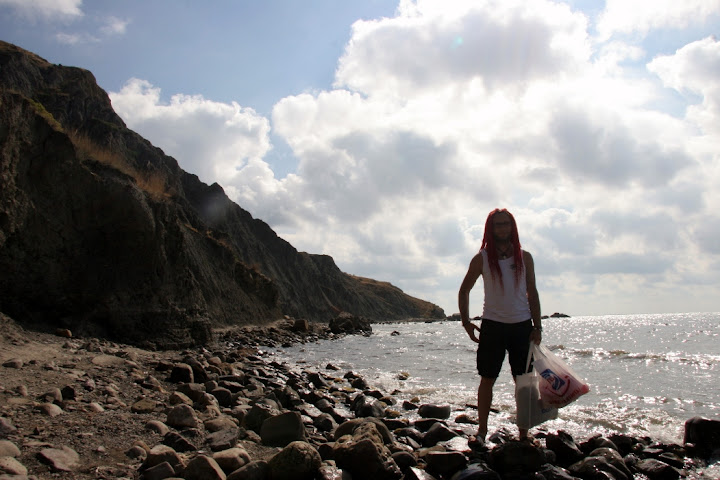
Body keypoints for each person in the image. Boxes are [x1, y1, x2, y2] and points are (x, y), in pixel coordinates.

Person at [458, 208, 542, 445]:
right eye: (498, 224)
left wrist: (538, 327)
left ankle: (524, 433)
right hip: (493, 327)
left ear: (512, 227)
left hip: (522, 327)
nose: (502, 228)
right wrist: (466, 322)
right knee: (487, 379)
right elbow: (464, 290)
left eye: (506, 224)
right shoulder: (482, 258)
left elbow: (532, 292)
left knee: (523, 382)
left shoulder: (525, 257)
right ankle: (481, 431)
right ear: (490, 228)